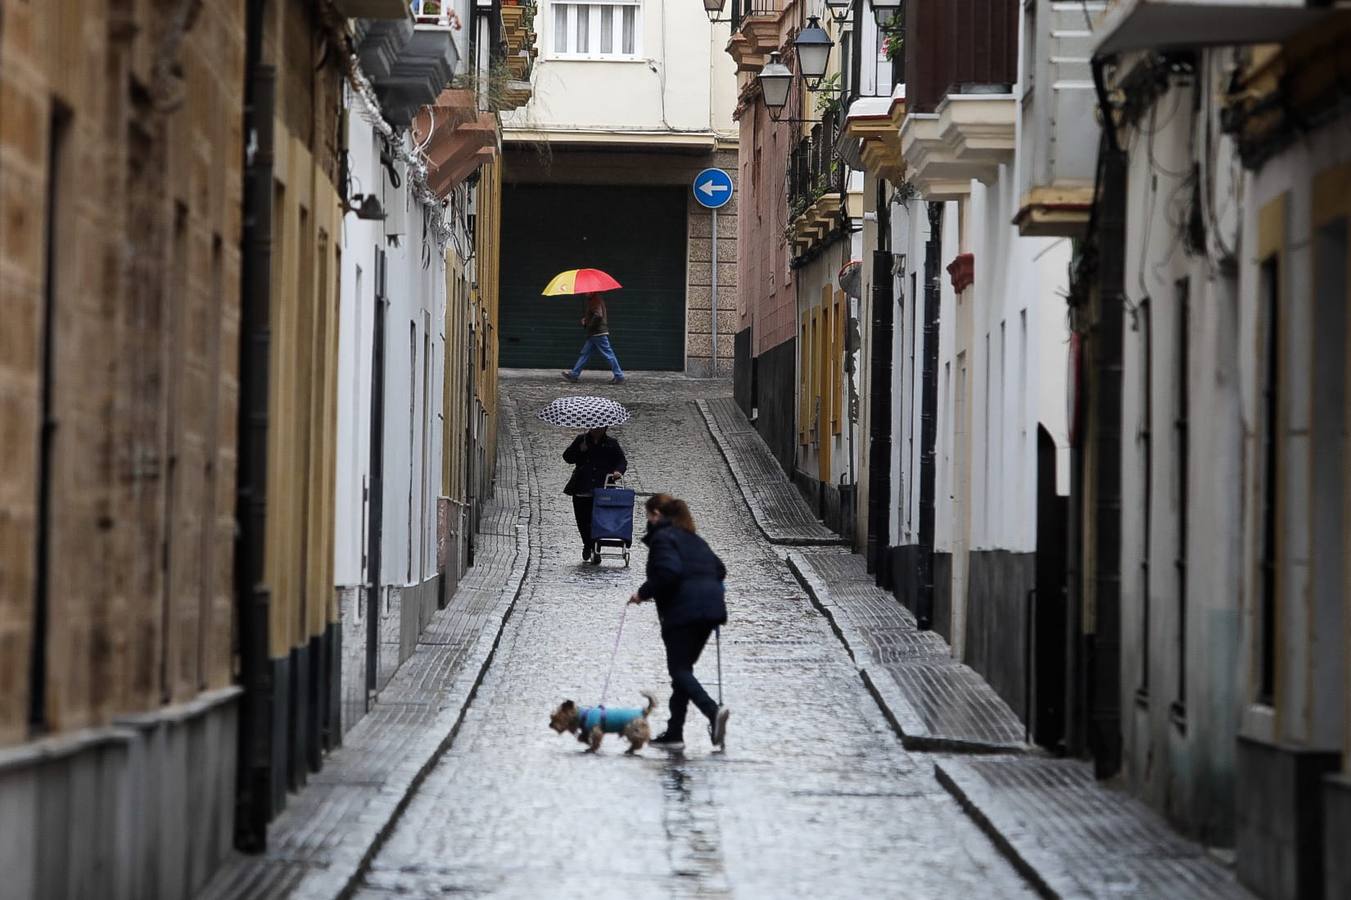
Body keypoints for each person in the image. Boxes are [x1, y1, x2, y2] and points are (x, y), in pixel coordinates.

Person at [628, 495, 730, 751]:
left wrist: (643, 593)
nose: (648, 522)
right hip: (710, 612)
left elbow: (668, 572)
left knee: (679, 671)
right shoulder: (694, 539)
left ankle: (712, 712)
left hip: (683, 613)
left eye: (648, 516)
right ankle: (674, 733)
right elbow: (719, 569)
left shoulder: (663, 538)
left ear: (657, 515)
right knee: (683, 672)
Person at [563, 427, 627, 564]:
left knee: (598, 521)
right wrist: (580, 449)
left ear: (605, 428)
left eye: (600, 428)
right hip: (582, 487)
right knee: (582, 521)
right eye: (594, 428)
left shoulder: (611, 443)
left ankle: (594, 546)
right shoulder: (582, 440)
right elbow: (567, 457)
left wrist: (618, 471)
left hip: (602, 489)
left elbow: (622, 461)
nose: (596, 430)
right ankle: (588, 544)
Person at [561, 292, 625, 384]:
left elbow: (598, 315)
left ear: (592, 291)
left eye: (587, 291)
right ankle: (574, 374)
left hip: (598, 333)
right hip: (594, 333)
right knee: (585, 354)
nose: (585, 293)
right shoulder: (593, 300)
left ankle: (619, 375)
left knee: (608, 354)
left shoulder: (595, 300)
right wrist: (586, 320)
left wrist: (588, 324)